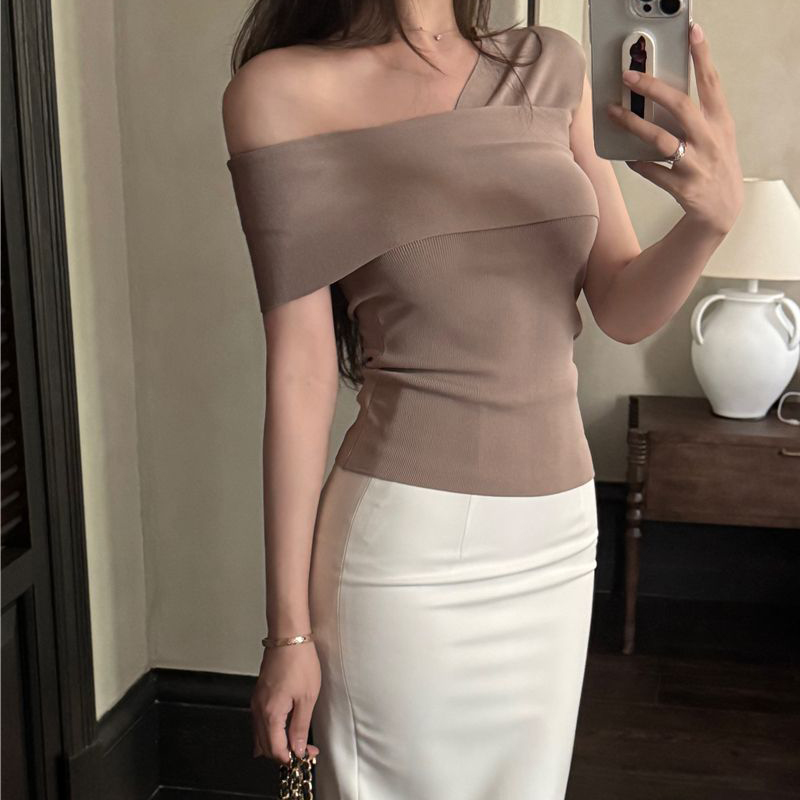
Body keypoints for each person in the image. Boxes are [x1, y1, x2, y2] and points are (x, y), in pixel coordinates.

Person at [221, 2, 742, 797]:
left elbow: (623, 305)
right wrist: (286, 632)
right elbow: (301, 371)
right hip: (410, 555)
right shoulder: (281, 92)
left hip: (559, 540)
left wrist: (709, 223)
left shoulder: (553, 66)